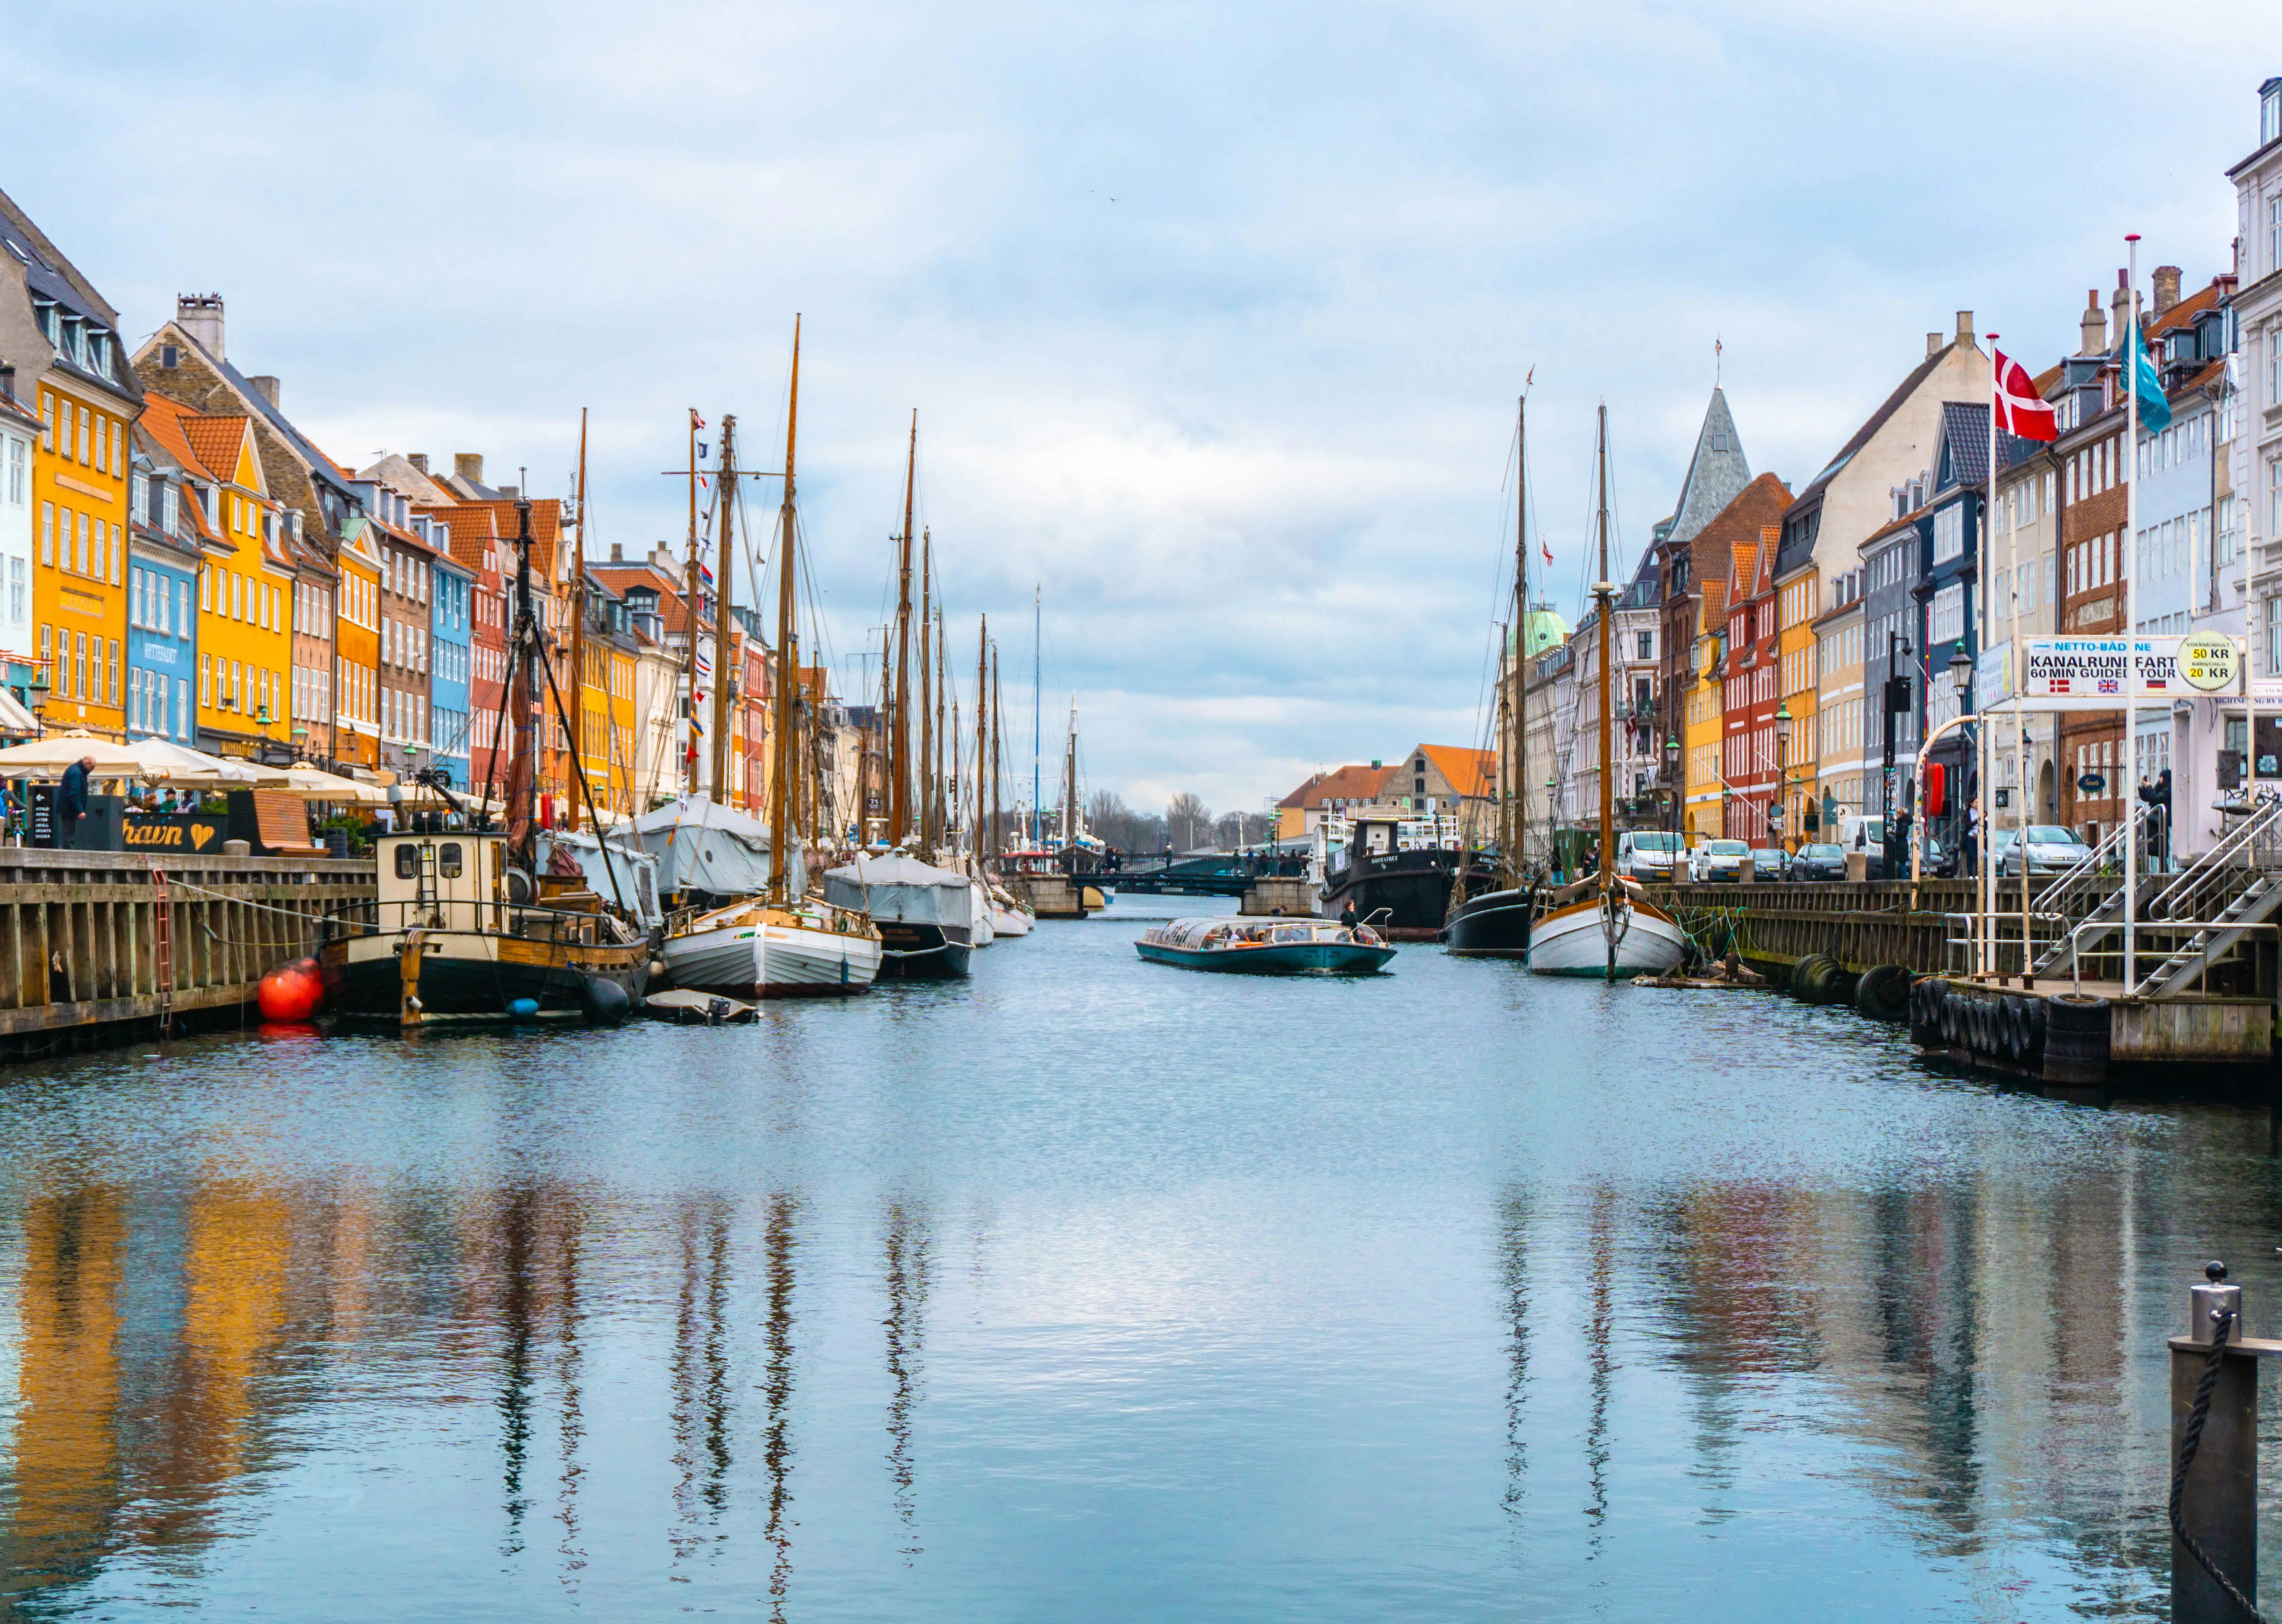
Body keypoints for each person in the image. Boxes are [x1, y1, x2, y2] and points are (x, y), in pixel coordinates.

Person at [55, 755, 95, 849]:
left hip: (68, 808)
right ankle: (69, 857)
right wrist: (80, 810)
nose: (93, 770)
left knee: (69, 833)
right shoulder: (76, 773)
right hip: (69, 809)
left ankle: (68, 854)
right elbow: (73, 793)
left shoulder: (76, 770)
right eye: (93, 767)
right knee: (69, 835)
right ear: (86, 764)